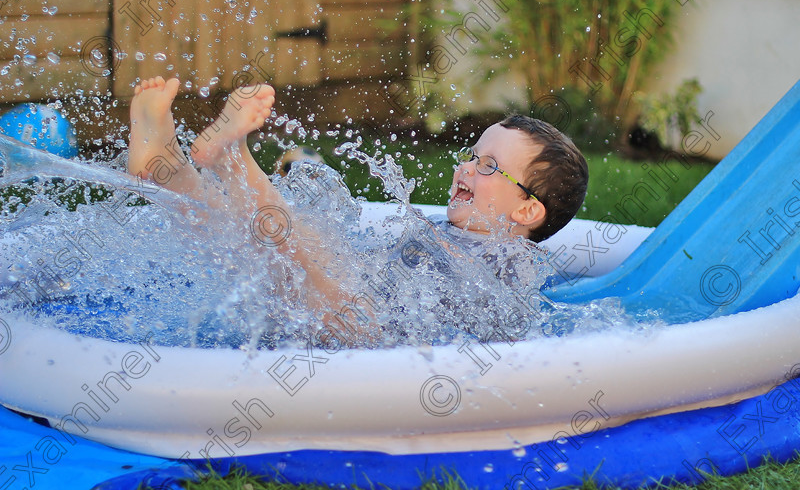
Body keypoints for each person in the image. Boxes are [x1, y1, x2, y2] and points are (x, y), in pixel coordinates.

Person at [126, 76, 589, 344]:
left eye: (489, 166)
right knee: (252, 247)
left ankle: (230, 160)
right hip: (347, 311)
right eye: (471, 155)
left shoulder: (517, 261)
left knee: (306, 250)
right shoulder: (440, 229)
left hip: (367, 335)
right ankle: (166, 169)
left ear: (528, 211)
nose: (466, 168)